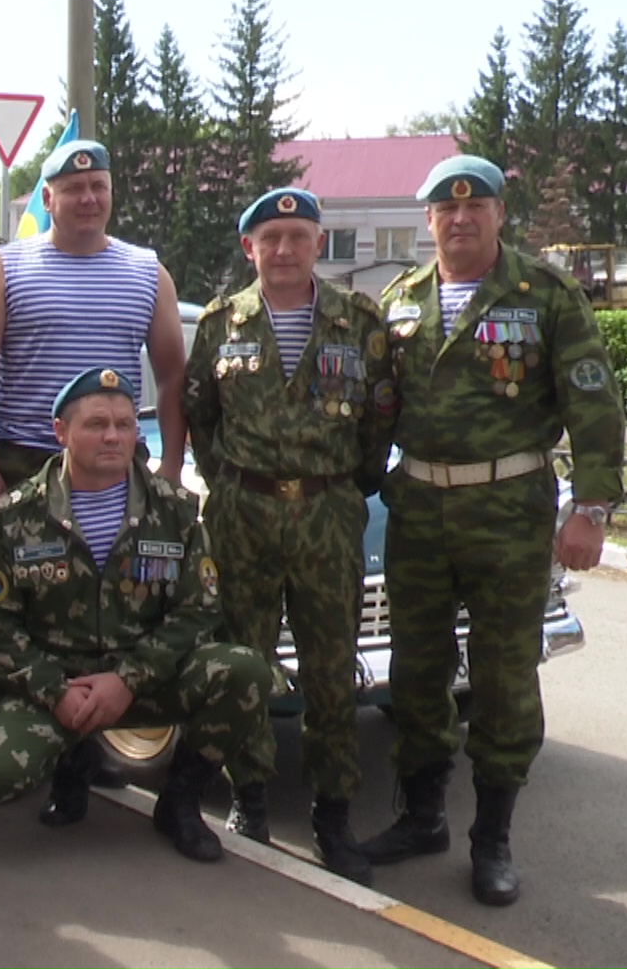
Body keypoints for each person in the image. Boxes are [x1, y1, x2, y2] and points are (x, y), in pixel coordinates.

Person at [357, 155, 625, 906]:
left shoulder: (545, 294)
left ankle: (493, 838)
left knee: (504, 676)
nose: (461, 219)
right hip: (418, 508)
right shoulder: (401, 301)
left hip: (510, 508)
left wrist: (591, 510)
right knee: (415, 669)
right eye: (446, 209)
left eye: (476, 208)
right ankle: (421, 816)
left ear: (500, 214)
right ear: (429, 221)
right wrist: (354, 483)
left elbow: (595, 405)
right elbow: (379, 409)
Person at [0, 367, 269, 863]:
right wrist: (54, 691)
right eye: (96, 424)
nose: (113, 436)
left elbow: (198, 608)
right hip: (60, 686)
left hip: (144, 679)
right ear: (61, 432)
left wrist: (127, 678)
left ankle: (181, 801)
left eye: (124, 424)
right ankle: (72, 762)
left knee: (244, 671)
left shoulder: (174, 510)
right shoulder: (19, 514)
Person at [182, 187, 394, 885]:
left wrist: (335, 487)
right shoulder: (220, 323)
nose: (283, 249)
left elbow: (378, 425)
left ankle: (332, 815)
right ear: (249, 248)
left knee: (332, 668)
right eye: (269, 238)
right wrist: (238, 484)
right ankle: (249, 799)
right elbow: (201, 422)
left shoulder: (359, 322)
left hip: (328, 515)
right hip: (243, 512)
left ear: (317, 243)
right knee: (245, 659)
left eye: (297, 236)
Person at [0, 138, 188, 725]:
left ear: (111, 194)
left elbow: (173, 375)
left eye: (99, 187)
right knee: (9, 606)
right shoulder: (5, 267)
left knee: (103, 612)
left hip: (112, 468)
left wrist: (171, 466)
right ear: (49, 197)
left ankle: (87, 750)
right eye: (74, 189)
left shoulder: (146, 271)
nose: (88, 198)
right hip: (21, 462)